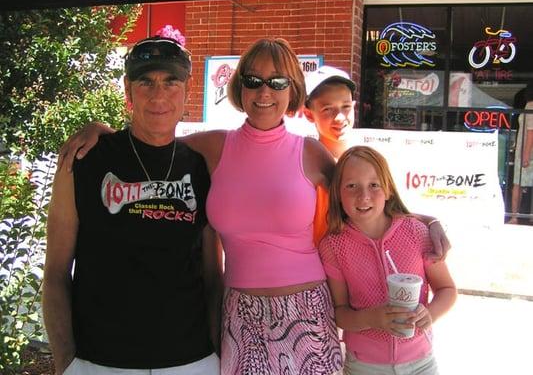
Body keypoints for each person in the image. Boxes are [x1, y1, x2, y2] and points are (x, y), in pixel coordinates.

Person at [56, 37, 343, 374]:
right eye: (253, 80)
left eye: (277, 82)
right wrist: (101, 132)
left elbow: (369, 204)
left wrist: (421, 226)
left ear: (292, 89)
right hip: (240, 316)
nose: (264, 92)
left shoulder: (312, 153)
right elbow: (153, 138)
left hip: (305, 312)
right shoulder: (213, 148)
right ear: (239, 87)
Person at [43, 35, 223, 375]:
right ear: (128, 89)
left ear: (188, 88)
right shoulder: (84, 160)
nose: (159, 95)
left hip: (191, 360)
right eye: (146, 82)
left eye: (171, 82)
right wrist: (66, 363)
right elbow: (55, 272)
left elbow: (214, 275)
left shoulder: (202, 167)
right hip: (98, 361)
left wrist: (214, 351)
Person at [319, 146, 457, 375]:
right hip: (364, 365)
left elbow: (447, 289)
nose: (363, 196)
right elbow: (340, 313)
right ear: (338, 194)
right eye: (351, 186)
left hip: (420, 363)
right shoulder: (333, 246)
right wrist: (371, 318)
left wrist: (429, 314)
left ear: (389, 190)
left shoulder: (417, 232)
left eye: (374, 185)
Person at [303, 65, 450, 256]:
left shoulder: (370, 162)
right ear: (308, 114)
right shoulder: (303, 164)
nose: (339, 117)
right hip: (314, 269)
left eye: (345, 107)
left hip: (356, 266)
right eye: (327, 109)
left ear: (354, 107)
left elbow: (390, 213)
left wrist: (430, 221)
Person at [509, 84, 533, 224]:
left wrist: (525, 154)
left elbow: (531, 131)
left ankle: (514, 216)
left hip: (526, 150)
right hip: (526, 150)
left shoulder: (530, 106)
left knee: (517, 184)